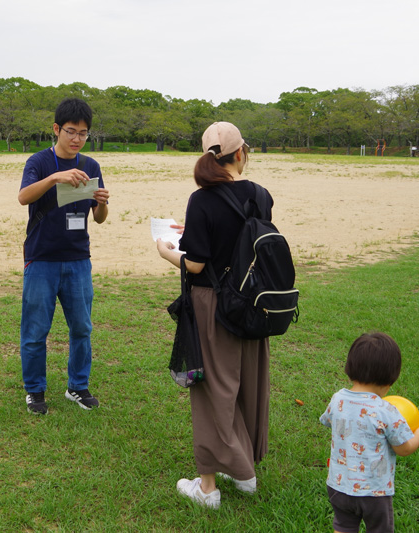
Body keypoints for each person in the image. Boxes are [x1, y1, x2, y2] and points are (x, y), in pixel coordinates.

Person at [157, 122, 272, 509]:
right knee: (245, 383)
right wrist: (196, 231)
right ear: (241, 153)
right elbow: (244, 238)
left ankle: (207, 487)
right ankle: (245, 472)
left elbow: (196, 264)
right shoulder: (260, 195)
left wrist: (167, 251)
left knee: (211, 391)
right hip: (253, 303)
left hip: (213, 305)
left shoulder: (201, 199)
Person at [18, 97, 110, 415]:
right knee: (35, 331)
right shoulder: (38, 162)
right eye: (71, 131)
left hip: (77, 259)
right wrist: (55, 178)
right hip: (41, 258)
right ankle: (35, 391)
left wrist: (102, 201)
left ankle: (77, 386)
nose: (76, 139)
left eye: (83, 133)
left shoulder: (91, 167)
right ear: (56, 129)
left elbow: (98, 218)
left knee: (82, 328)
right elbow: (23, 197)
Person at [320, 332, 419, 533]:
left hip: (339, 486)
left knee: (343, 526)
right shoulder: (387, 411)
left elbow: (326, 420)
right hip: (374, 493)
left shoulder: (337, 400)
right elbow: (404, 448)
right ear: (389, 381)